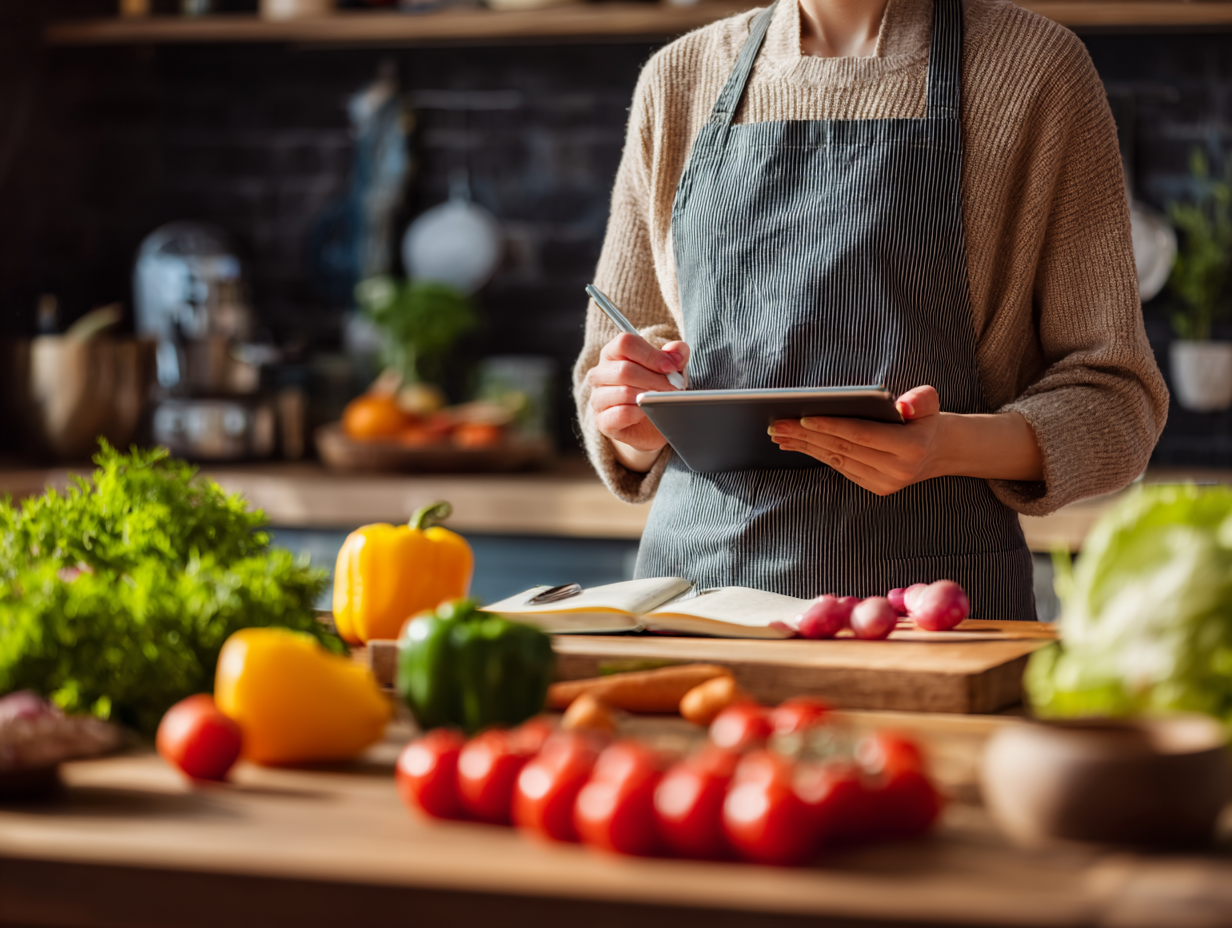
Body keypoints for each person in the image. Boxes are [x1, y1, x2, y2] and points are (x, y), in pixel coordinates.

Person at [573, 0, 1168, 621]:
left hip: (928, 610)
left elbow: (1116, 399)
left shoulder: (1034, 68)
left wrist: (952, 446)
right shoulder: (679, 78)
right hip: (696, 605)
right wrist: (634, 420)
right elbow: (610, 380)